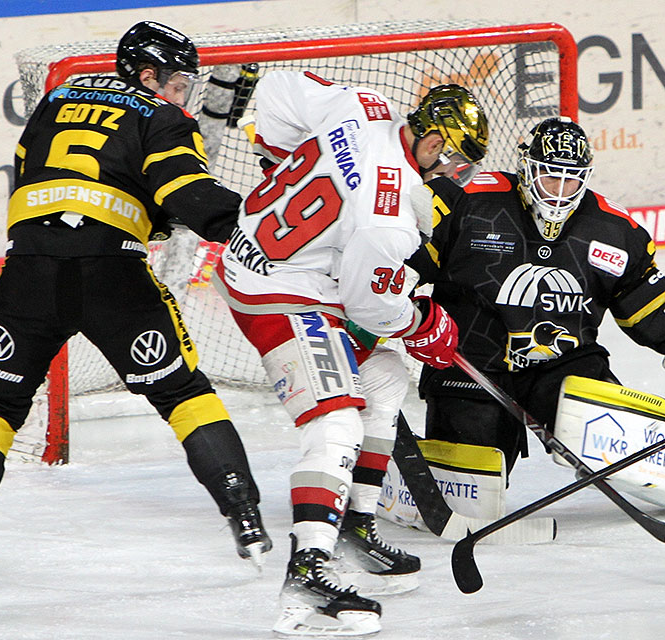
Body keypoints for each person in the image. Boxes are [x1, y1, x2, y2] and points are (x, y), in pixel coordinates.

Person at [0, 21, 271, 585]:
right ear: (148, 75)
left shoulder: (55, 99)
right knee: (182, 393)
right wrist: (265, 226)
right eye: (178, 83)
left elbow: (36, 176)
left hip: (27, 273)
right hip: (113, 273)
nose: (183, 95)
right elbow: (185, 196)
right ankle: (245, 517)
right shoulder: (161, 116)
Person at [214, 70, 487, 635]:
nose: (454, 174)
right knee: (337, 416)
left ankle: (354, 528)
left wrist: (287, 160)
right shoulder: (388, 220)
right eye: (455, 161)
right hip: (278, 292)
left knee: (384, 377)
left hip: (260, 252)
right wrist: (421, 322)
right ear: (433, 143)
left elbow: (274, 91)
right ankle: (307, 575)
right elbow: (368, 308)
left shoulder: (365, 105)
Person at [406, 116, 665, 480]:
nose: (558, 191)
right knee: (472, 489)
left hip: (563, 367)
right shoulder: (464, 203)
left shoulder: (614, 232)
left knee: (626, 452)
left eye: (570, 181)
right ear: (526, 169)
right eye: (549, 177)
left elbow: (655, 317)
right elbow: (397, 268)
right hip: (470, 365)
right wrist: (404, 312)